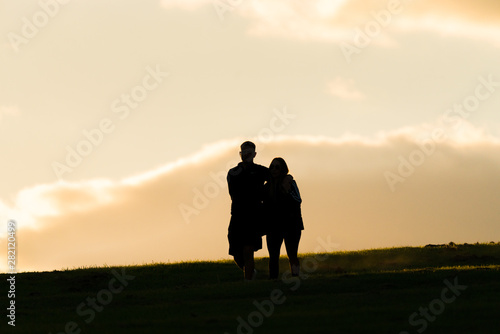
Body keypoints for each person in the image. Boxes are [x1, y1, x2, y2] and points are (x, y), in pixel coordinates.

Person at [227, 141, 269, 281]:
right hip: (238, 216)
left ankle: (248, 281)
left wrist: (288, 177)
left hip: (254, 216)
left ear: (254, 154)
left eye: (249, 152)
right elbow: (233, 194)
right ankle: (251, 273)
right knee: (236, 253)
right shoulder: (233, 172)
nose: (246, 155)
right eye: (244, 152)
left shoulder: (261, 171)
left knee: (248, 250)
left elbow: (276, 178)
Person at [263, 157, 304, 279]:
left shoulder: (290, 182)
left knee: (292, 254)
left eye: (277, 167)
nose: (274, 169)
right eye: (272, 167)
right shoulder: (267, 186)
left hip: (291, 224)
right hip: (273, 225)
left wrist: (287, 191)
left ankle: (295, 275)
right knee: (273, 255)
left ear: (283, 169)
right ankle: (273, 279)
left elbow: (298, 200)